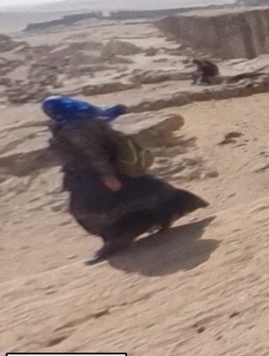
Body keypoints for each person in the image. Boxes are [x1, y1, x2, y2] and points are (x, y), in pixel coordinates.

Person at [41, 96, 209, 264]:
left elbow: (93, 153)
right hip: (109, 168)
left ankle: (115, 240)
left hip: (90, 173)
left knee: (88, 209)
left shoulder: (75, 128)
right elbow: (112, 113)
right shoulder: (85, 118)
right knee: (140, 191)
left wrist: (107, 175)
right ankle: (164, 215)